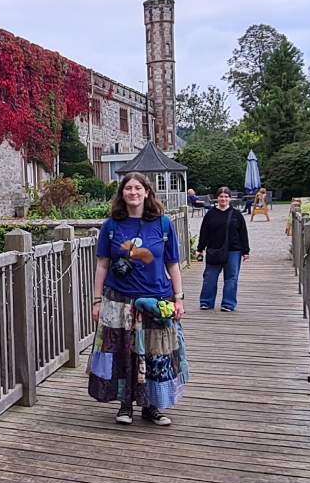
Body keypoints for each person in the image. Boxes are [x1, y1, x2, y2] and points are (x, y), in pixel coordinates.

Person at [89, 173, 188, 426]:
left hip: (156, 298)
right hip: (119, 300)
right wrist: (96, 300)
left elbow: (173, 264)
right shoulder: (111, 226)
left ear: (146, 192)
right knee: (123, 352)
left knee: (157, 354)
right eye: (128, 188)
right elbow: (102, 265)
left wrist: (179, 298)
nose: (133, 192)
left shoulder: (163, 224)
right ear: (122, 194)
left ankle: (152, 406)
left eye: (138, 188)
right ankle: (125, 404)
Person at [196, 187, 250, 311]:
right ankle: (206, 302)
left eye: (226, 196)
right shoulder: (210, 214)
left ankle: (228, 304)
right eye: (221, 196)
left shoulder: (237, 215)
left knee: (231, 278)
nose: (223, 199)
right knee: (209, 277)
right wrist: (200, 248)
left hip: (233, 250)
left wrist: (246, 251)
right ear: (217, 198)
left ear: (230, 198)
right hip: (214, 250)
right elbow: (204, 232)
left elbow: (243, 234)